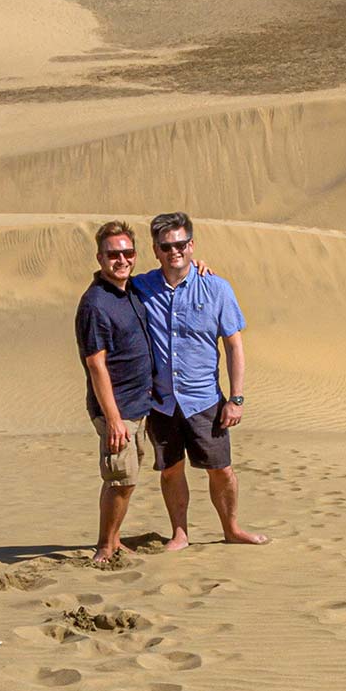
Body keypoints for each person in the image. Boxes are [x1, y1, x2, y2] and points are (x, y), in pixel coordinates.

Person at [133, 212, 267, 549]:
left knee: (221, 469)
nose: (174, 251)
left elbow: (234, 344)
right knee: (170, 470)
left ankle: (231, 528)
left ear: (191, 245)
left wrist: (236, 399)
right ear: (156, 249)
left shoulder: (216, 287)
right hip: (161, 402)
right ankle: (180, 532)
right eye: (166, 246)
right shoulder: (141, 288)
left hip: (205, 399)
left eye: (181, 244)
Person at [74, 221, 153, 565]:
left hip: (138, 405)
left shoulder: (132, 290)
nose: (121, 259)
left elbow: (173, 274)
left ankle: (115, 538)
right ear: (100, 257)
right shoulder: (96, 303)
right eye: (113, 254)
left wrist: (198, 267)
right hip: (117, 410)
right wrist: (114, 418)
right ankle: (105, 546)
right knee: (121, 478)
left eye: (127, 252)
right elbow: (96, 365)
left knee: (127, 476)